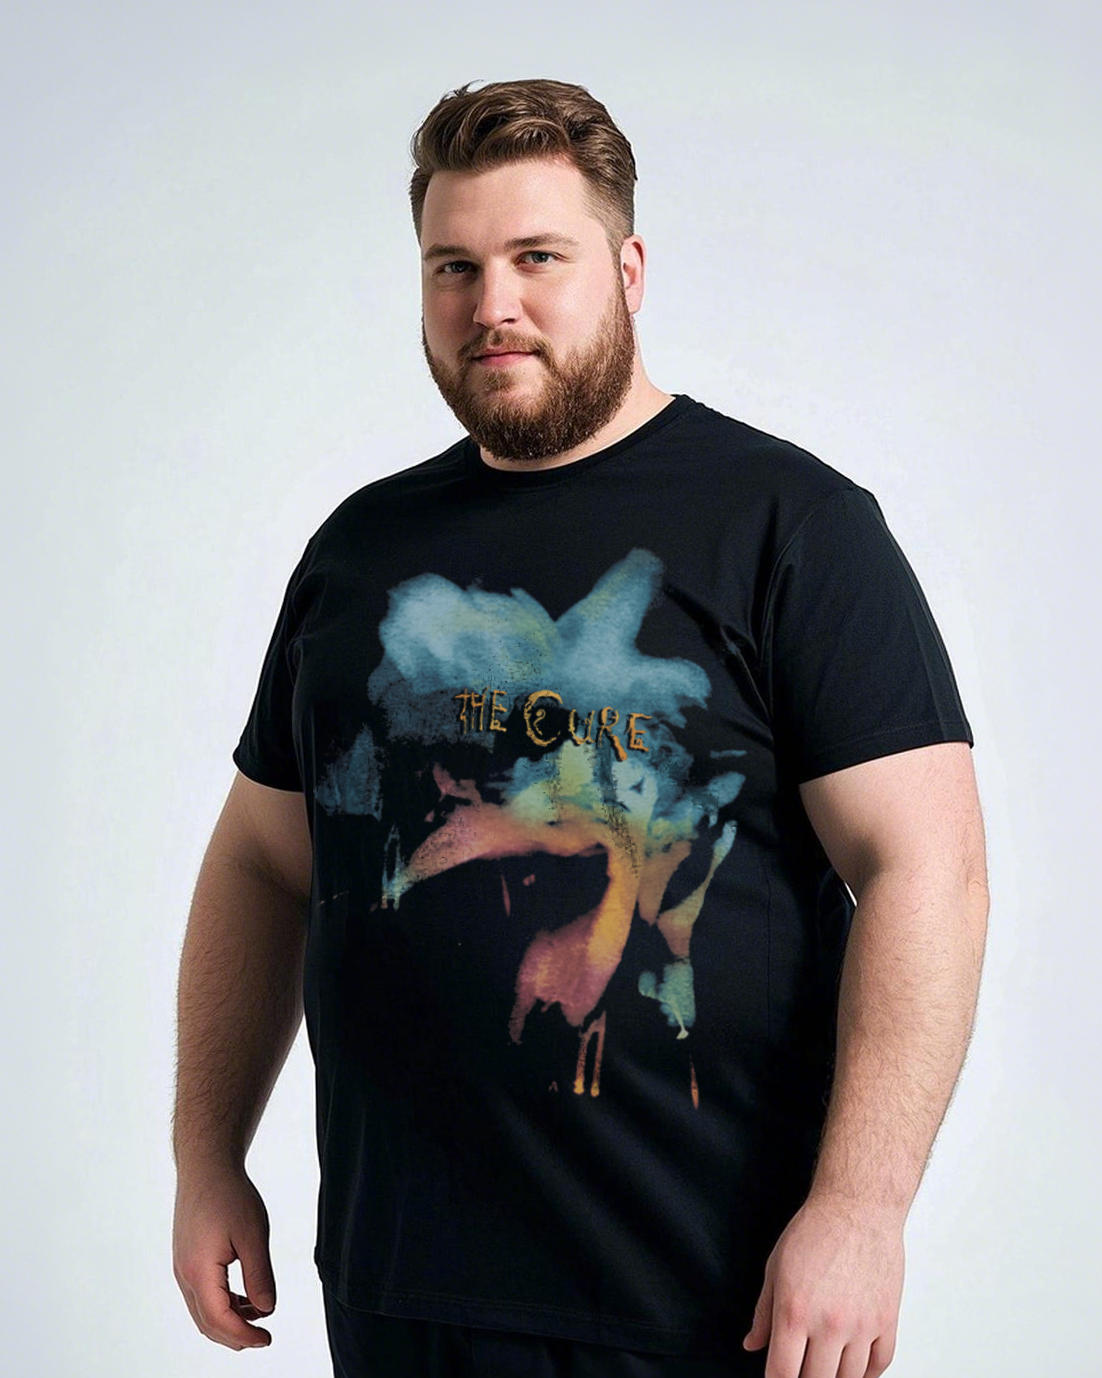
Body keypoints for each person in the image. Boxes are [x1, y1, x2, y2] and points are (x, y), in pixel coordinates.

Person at [172, 78, 988, 1378]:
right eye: (453, 266)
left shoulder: (790, 527)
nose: (490, 304)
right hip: (398, 1294)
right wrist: (206, 1153)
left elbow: (926, 867)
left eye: (536, 257)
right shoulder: (362, 551)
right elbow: (264, 859)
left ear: (628, 270)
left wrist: (859, 1209)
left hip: (698, 1301)